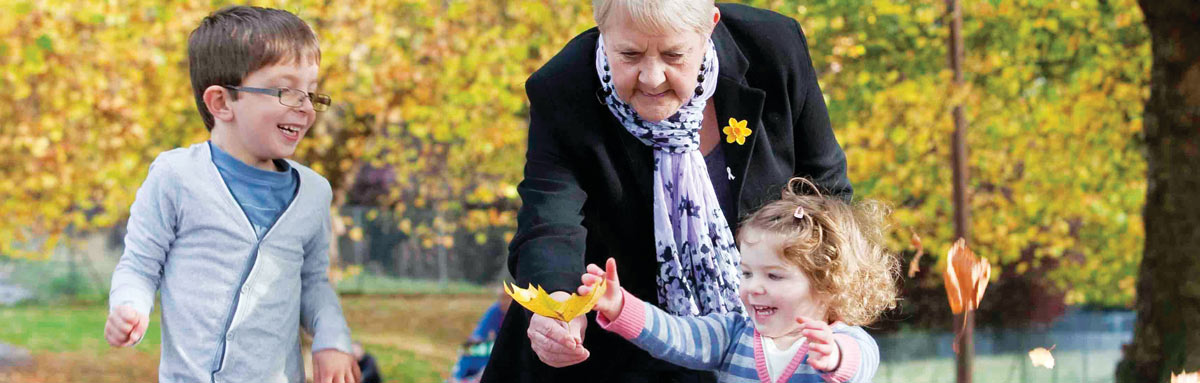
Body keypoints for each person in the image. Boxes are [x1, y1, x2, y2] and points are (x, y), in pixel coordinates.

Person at [483, 0, 853, 381]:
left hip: (760, 346)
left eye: (674, 55)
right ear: (601, 29)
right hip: (610, 351)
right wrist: (559, 307)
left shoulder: (773, 48)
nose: (652, 77)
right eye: (629, 54)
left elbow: (827, 195)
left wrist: (825, 315)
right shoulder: (563, 87)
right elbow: (549, 223)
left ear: (710, 26)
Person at [103, 6, 360, 383]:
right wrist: (130, 306)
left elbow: (314, 283)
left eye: (311, 91)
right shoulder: (176, 176)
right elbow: (140, 265)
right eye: (286, 90)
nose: (305, 106)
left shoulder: (314, 193)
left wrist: (332, 339)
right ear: (222, 103)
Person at [581, 178, 898, 382]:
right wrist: (621, 306)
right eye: (746, 273)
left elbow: (857, 366)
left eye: (774, 275)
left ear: (827, 284)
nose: (753, 287)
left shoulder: (848, 342)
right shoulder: (733, 334)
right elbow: (676, 335)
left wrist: (834, 357)